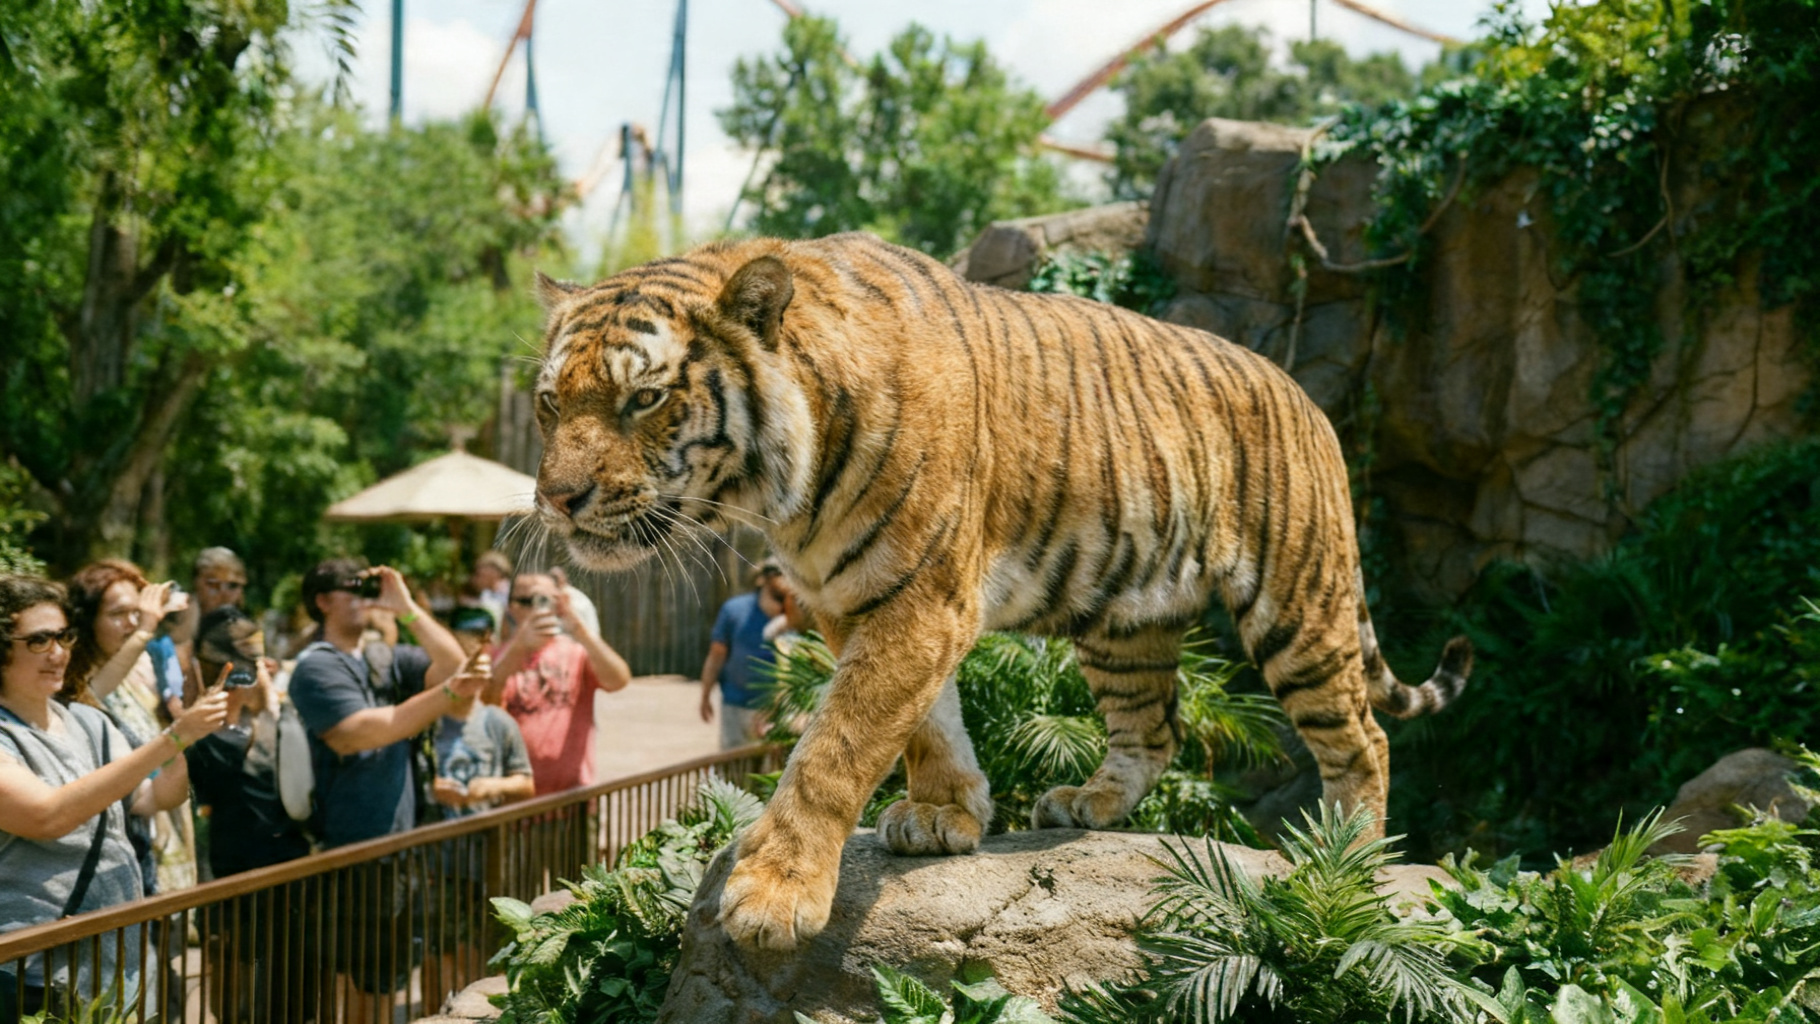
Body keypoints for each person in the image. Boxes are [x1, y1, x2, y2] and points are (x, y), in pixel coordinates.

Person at [0, 573, 228, 1018]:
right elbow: (47, 816)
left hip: (117, 964)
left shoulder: (90, 721)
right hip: (33, 971)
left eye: (64, 636)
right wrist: (173, 738)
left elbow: (153, 798)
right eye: (39, 640)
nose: (58, 653)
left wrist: (184, 738)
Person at [287, 558, 489, 1015]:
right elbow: (361, 731)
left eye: (368, 587)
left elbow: (454, 666)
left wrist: (408, 609)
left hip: (399, 846)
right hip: (349, 847)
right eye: (352, 588)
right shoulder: (316, 667)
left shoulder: (383, 657)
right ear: (323, 601)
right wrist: (450, 693)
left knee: (383, 983)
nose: (364, 597)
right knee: (354, 981)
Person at [184, 605, 315, 1024]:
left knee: (286, 983)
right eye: (246, 666)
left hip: (284, 873)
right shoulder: (207, 736)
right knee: (234, 969)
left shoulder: (278, 720)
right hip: (233, 875)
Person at [64, 559, 196, 897]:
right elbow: (93, 693)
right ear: (87, 620)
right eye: (118, 614)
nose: (133, 623)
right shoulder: (72, 683)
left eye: (137, 613)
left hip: (157, 823)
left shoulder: (137, 671)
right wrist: (146, 628)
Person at [487, 571, 630, 795]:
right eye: (528, 601)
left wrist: (579, 628)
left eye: (546, 600)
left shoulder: (576, 651)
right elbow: (486, 707)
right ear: (512, 608)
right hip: (514, 800)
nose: (537, 608)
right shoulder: (496, 657)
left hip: (572, 797)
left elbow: (618, 680)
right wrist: (518, 646)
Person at [699, 559, 796, 749]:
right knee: (733, 764)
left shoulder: (799, 614)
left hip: (779, 712)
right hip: (737, 706)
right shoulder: (734, 610)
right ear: (765, 578)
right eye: (779, 573)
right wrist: (705, 696)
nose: (786, 579)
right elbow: (716, 656)